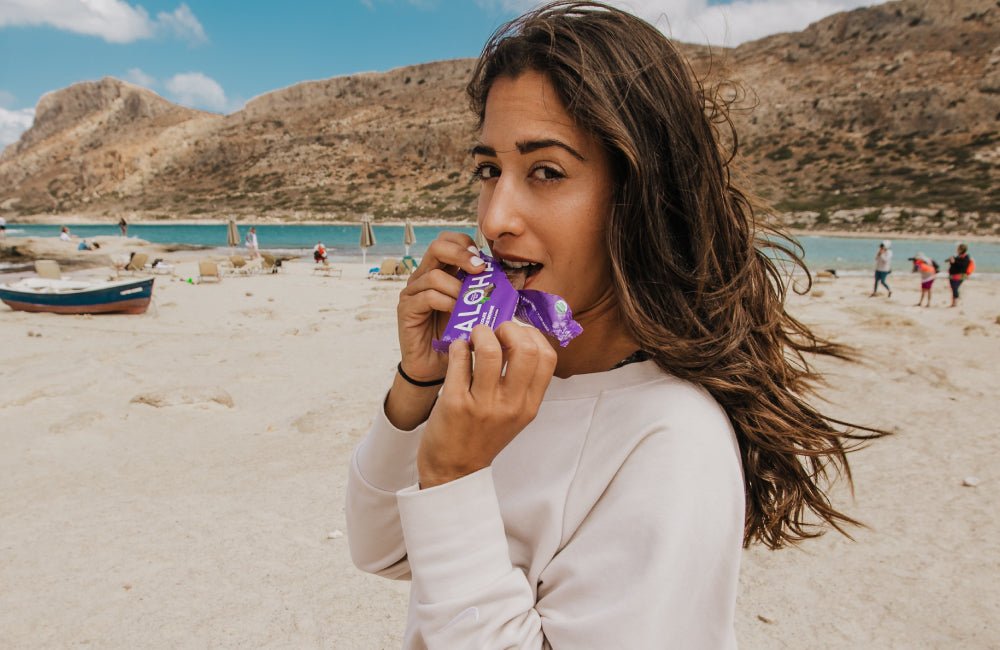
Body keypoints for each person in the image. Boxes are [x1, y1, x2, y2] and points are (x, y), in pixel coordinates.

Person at [345, 3, 879, 647]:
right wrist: (417, 386)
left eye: (546, 171)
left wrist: (456, 475)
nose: (494, 219)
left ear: (641, 195)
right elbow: (381, 551)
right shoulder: (508, 387)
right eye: (490, 170)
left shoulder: (671, 438)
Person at [946, 243, 975, 307]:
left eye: (958, 248)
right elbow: (954, 265)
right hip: (952, 275)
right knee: (954, 288)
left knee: (954, 288)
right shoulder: (957, 257)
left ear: (961, 250)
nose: (957, 250)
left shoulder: (966, 258)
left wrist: (954, 262)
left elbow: (962, 266)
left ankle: (955, 302)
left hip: (959, 276)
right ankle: (954, 302)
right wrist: (951, 261)